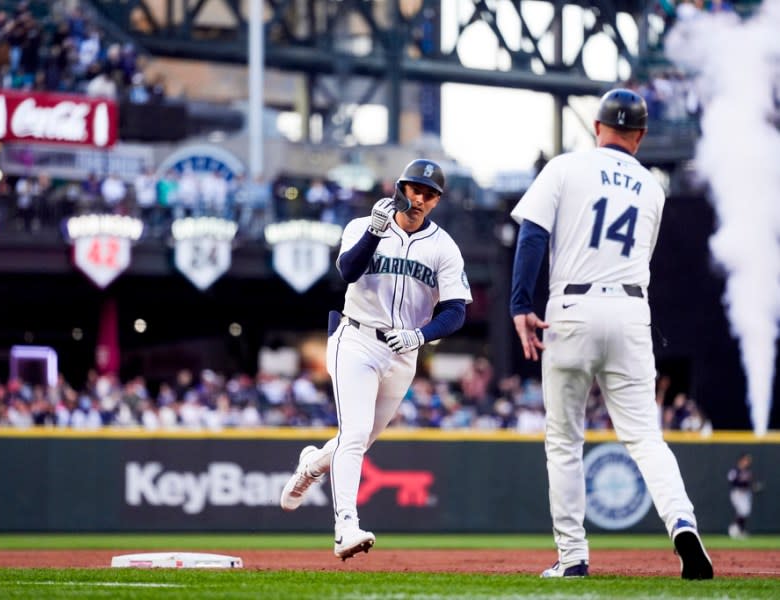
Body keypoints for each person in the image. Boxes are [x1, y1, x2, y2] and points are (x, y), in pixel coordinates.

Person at [509, 88, 713, 580]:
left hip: (572, 308)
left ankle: (574, 556)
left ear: (597, 127)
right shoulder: (653, 189)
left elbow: (533, 233)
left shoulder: (564, 167)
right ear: (640, 136)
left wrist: (520, 304)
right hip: (628, 309)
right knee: (645, 436)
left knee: (563, 439)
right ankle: (682, 521)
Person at [278, 159, 472, 560]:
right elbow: (347, 271)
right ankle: (345, 526)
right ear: (400, 187)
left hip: (404, 351)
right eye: (414, 189)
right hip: (356, 339)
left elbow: (456, 311)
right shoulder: (361, 226)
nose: (420, 198)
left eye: (429, 194)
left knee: (360, 439)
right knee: (354, 433)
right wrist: (374, 231)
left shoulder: (443, 247)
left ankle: (312, 464)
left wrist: (420, 335)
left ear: (437, 201)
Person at [727, 452, 761, 539]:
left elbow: (750, 483)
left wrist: (754, 487)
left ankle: (738, 529)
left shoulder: (748, 471)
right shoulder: (735, 470)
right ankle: (736, 529)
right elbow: (732, 481)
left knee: (745, 512)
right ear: (741, 460)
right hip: (738, 493)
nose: (747, 462)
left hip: (746, 494)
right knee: (742, 511)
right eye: (746, 460)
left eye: (748, 460)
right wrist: (742, 485)